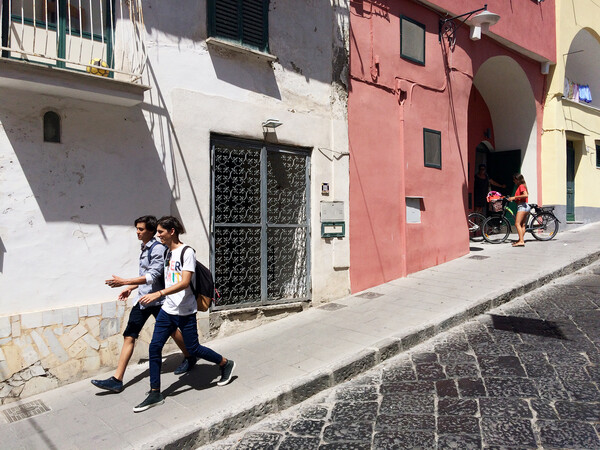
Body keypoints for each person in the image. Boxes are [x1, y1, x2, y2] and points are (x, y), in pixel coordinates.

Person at [133, 216, 235, 413]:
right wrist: (131, 287)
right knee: (155, 348)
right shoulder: (167, 253)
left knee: (193, 348)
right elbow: (162, 277)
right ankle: (155, 393)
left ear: (172, 231)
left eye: (161, 232)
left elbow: (185, 282)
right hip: (167, 310)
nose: (158, 235)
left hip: (185, 310)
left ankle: (225, 363)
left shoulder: (187, 252)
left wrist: (159, 293)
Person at [91, 216, 194, 393]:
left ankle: (190, 355)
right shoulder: (145, 248)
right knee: (129, 335)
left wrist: (125, 281)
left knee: (172, 331)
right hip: (143, 299)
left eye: (141, 229)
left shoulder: (158, 249)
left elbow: (152, 275)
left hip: (158, 299)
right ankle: (117, 380)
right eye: (137, 229)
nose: (137, 232)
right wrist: (131, 287)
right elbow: (146, 275)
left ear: (151, 231)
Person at [508, 173, 530, 247]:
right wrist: (515, 199)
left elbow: (526, 195)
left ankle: (521, 241)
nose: (513, 181)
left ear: (517, 180)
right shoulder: (521, 186)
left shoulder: (521, 186)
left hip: (522, 206)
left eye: (514, 179)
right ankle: (521, 239)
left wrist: (514, 197)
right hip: (525, 206)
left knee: (517, 224)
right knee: (523, 225)